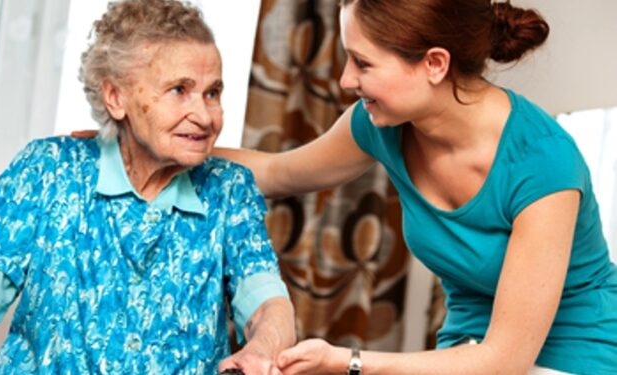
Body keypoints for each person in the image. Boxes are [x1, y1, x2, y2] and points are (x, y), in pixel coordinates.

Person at [0, 0, 295, 373]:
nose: (205, 116)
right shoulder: (49, 171)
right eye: (180, 90)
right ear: (116, 97)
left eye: (212, 92)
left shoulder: (228, 189)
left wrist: (261, 348)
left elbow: (267, 304)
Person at [213, 0, 617, 374]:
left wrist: (345, 361)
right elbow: (277, 172)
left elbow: (504, 362)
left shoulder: (543, 163)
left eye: (362, 63)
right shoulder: (381, 127)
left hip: (572, 353)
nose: (345, 79)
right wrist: (170, 144)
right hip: (466, 348)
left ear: (435, 64)